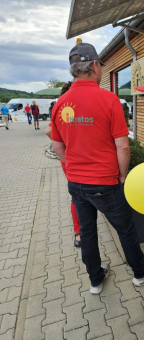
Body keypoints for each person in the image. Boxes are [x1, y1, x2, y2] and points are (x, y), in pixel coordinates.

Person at [51, 42, 144, 294]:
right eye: (100, 65)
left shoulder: (61, 103)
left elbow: (57, 146)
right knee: (125, 228)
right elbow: (123, 146)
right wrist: (122, 175)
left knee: (88, 232)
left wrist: (72, 169)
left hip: (76, 183)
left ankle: (95, 279)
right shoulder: (108, 99)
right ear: (94, 66)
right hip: (105, 182)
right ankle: (140, 273)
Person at [45, 81, 81, 247]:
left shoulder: (62, 108)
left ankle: (79, 232)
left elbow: (49, 131)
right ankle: (80, 230)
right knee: (80, 196)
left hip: (67, 160)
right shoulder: (74, 107)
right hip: (75, 159)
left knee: (76, 196)